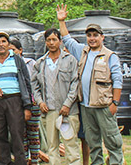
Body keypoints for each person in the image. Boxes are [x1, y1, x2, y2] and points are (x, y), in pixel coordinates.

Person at [57, 4, 124, 165]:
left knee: (112, 142)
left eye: (95, 35)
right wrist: (61, 21)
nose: (92, 38)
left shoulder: (110, 56)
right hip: (86, 107)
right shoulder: (82, 51)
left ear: (102, 37)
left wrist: (114, 103)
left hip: (104, 106)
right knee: (93, 143)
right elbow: (67, 38)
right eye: (89, 35)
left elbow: (118, 81)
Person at [0, 31, 32, 165]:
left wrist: (27, 106)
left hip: (14, 101)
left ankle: (20, 162)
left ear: (8, 44)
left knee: (17, 135)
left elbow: (26, 82)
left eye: (3, 41)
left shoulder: (17, 59)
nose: (1, 44)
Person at [31, 28, 80, 165]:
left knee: (71, 145)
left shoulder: (70, 60)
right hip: (50, 111)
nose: (51, 43)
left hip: (68, 112)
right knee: (52, 146)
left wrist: (67, 104)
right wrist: (40, 102)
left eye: (54, 39)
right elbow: (34, 85)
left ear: (60, 41)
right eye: (48, 40)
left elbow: (75, 83)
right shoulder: (40, 63)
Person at [8, 38, 40, 165]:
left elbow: (35, 83)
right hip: (16, 104)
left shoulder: (30, 63)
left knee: (33, 133)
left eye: (13, 50)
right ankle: (24, 160)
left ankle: (35, 160)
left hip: (32, 103)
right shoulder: (8, 65)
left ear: (20, 50)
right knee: (21, 135)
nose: (11, 53)